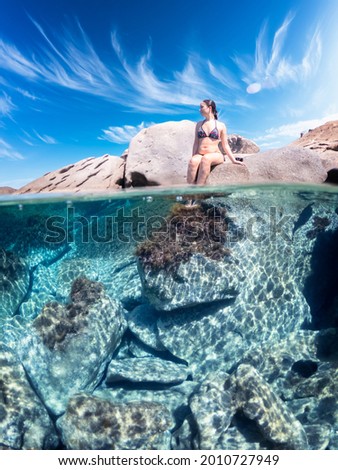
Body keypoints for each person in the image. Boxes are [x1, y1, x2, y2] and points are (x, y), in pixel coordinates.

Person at [187, 99, 245, 187]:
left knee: (206, 159)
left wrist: (233, 160)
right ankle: (190, 195)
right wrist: (194, 156)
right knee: (193, 161)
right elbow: (196, 143)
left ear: (209, 108)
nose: (199, 110)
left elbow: (225, 145)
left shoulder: (221, 125)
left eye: (201, 107)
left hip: (215, 154)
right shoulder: (199, 124)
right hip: (200, 154)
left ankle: (198, 194)